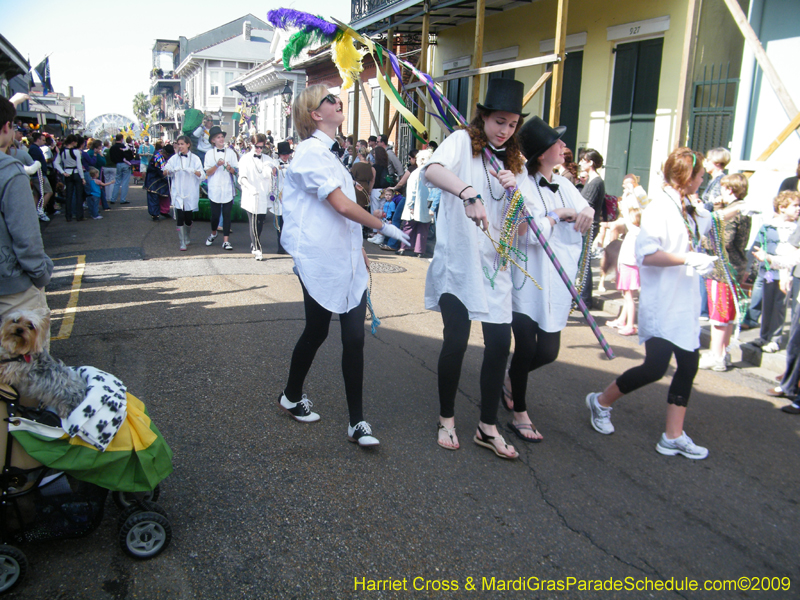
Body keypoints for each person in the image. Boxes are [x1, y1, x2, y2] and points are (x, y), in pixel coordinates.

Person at [277, 85, 409, 447]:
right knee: (316, 332)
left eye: (337, 98)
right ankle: (290, 394)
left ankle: (357, 422)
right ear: (315, 114)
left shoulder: (332, 155)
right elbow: (338, 204)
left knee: (353, 338)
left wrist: (362, 246)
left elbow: (344, 213)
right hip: (321, 261)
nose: (338, 102)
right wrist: (381, 225)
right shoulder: (309, 154)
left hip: (346, 258)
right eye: (330, 100)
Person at [421, 78, 533, 459]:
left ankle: (487, 427)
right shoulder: (460, 143)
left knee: (501, 345)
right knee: (455, 341)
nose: (505, 130)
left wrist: (516, 196)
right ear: (483, 117)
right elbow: (432, 171)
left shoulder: (517, 164)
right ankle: (447, 418)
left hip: (495, 269)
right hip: (459, 264)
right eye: (499, 121)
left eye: (512, 124)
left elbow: (520, 229)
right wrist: (468, 192)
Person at [585, 148, 720, 460]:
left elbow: (703, 230)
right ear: (687, 178)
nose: (703, 180)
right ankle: (602, 401)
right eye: (700, 176)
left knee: (688, 364)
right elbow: (647, 255)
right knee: (655, 368)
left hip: (685, 300)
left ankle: (673, 436)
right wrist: (688, 257)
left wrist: (704, 218)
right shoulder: (660, 208)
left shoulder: (687, 206)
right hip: (662, 301)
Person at [502, 117, 592, 442]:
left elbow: (586, 209)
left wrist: (584, 214)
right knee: (526, 346)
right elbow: (522, 234)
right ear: (543, 154)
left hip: (559, 278)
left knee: (549, 351)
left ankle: (511, 377)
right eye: (559, 143)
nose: (565, 148)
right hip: (527, 279)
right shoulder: (520, 186)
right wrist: (557, 216)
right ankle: (520, 413)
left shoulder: (565, 184)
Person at [0, 96, 53, 338]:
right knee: (26, 368)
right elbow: (26, 236)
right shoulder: (10, 173)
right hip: (13, 290)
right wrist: (40, 274)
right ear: (6, 127)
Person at [698, 173, 752, 371]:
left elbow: (721, 239)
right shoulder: (742, 209)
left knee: (719, 314)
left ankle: (717, 354)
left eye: (723, 188)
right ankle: (723, 351)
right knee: (727, 314)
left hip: (722, 268)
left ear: (729, 189)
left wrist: (702, 239)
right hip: (734, 266)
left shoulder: (733, 212)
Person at [750, 190, 800, 353]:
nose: (798, 209)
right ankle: (764, 336)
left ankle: (775, 339)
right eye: (795, 205)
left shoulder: (795, 228)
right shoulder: (769, 226)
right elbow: (758, 244)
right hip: (769, 272)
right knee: (767, 305)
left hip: (785, 274)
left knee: (779, 307)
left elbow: (791, 254)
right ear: (782, 207)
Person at [239, 133, 276, 261]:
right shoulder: (245, 159)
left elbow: (273, 170)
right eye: (256, 147)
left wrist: (273, 170)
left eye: (261, 147)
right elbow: (242, 177)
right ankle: (258, 248)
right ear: (251, 145)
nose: (259, 150)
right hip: (251, 194)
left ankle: (255, 242)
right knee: (253, 221)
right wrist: (250, 187)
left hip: (263, 195)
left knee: (260, 222)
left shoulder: (267, 159)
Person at [163, 136, 203, 251]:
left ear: (188, 145)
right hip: (178, 191)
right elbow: (165, 172)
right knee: (179, 215)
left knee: (188, 217)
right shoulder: (174, 158)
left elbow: (202, 174)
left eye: (182, 144)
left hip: (190, 191)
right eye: (178, 144)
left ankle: (187, 235)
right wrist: (171, 170)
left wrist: (194, 171)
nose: (180, 146)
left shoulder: (195, 159)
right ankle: (182, 241)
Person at [608, 206, 642, 336]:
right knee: (626, 296)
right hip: (627, 265)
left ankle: (630, 325)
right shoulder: (634, 232)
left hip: (629, 266)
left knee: (629, 297)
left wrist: (625, 206)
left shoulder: (636, 231)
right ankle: (622, 320)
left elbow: (627, 220)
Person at [204, 126, 239, 251]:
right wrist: (216, 165)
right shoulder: (209, 154)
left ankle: (226, 241)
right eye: (218, 137)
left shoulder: (230, 152)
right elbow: (207, 172)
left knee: (227, 215)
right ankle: (213, 233)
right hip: (215, 189)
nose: (221, 139)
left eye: (222, 137)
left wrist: (230, 168)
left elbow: (236, 171)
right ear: (213, 140)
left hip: (228, 188)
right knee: (215, 216)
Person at [579, 149, 605, 306]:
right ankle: (583, 295)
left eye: (584, 160)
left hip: (590, 225)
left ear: (591, 162)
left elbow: (587, 203)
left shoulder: (596, 182)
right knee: (583, 260)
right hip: (589, 224)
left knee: (584, 260)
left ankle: (585, 297)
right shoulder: (591, 180)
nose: (581, 162)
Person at [396, 149, 431, 257]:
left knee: (408, 227)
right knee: (423, 228)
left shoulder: (415, 173)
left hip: (414, 205)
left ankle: (403, 247)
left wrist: (410, 205)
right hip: (426, 205)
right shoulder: (429, 174)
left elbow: (411, 191)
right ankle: (419, 250)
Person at [53, 134, 84, 221]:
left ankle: (68, 216)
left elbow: (56, 163)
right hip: (76, 173)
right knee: (78, 195)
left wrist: (63, 172)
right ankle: (79, 215)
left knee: (69, 196)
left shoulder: (62, 151)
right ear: (73, 142)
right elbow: (79, 166)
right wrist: (82, 178)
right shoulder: (76, 152)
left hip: (67, 173)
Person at [269, 141, 293, 254]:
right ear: (279, 154)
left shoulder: (292, 163)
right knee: (279, 224)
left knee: (289, 223)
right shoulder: (274, 163)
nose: (285, 156)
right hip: (279, 197)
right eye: (283, 154)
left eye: (287, 154)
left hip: (290, 196)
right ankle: (280, 246)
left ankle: (288, 245)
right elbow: (272, 172)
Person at [145, 143, 175, 221]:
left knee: (165, 195)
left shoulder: (162, 155)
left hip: (162, 179)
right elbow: (162, 172)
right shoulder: (158, 158)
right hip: (153, 179)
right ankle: (154, 214)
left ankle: (164, 211)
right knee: (154, 195)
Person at [109, 134, 133, 205]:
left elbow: (111, 157)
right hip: (125, 164)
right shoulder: (124, 147)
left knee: (117, 182)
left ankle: (113, 199)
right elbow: (130, 155)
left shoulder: (112, 148)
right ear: (122, 139)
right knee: (125, 182)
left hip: (117, 164)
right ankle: (122, 199)